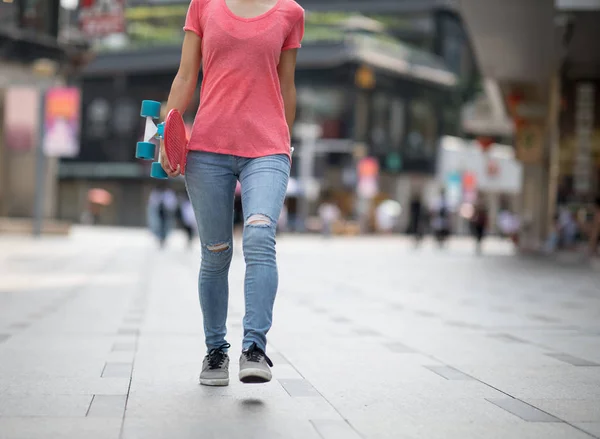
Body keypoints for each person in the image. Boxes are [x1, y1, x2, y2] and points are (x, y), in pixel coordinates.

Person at [159, 0, 304, 386]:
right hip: (207, 150)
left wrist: (284, 145)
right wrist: (167, 134)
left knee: (259, 236)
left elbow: (286, 85)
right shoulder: (203, 5)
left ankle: (254, 348)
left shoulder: (290, 13)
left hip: (268, 149)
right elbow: (186, 75)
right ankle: (216, 352)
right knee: (216, 253)